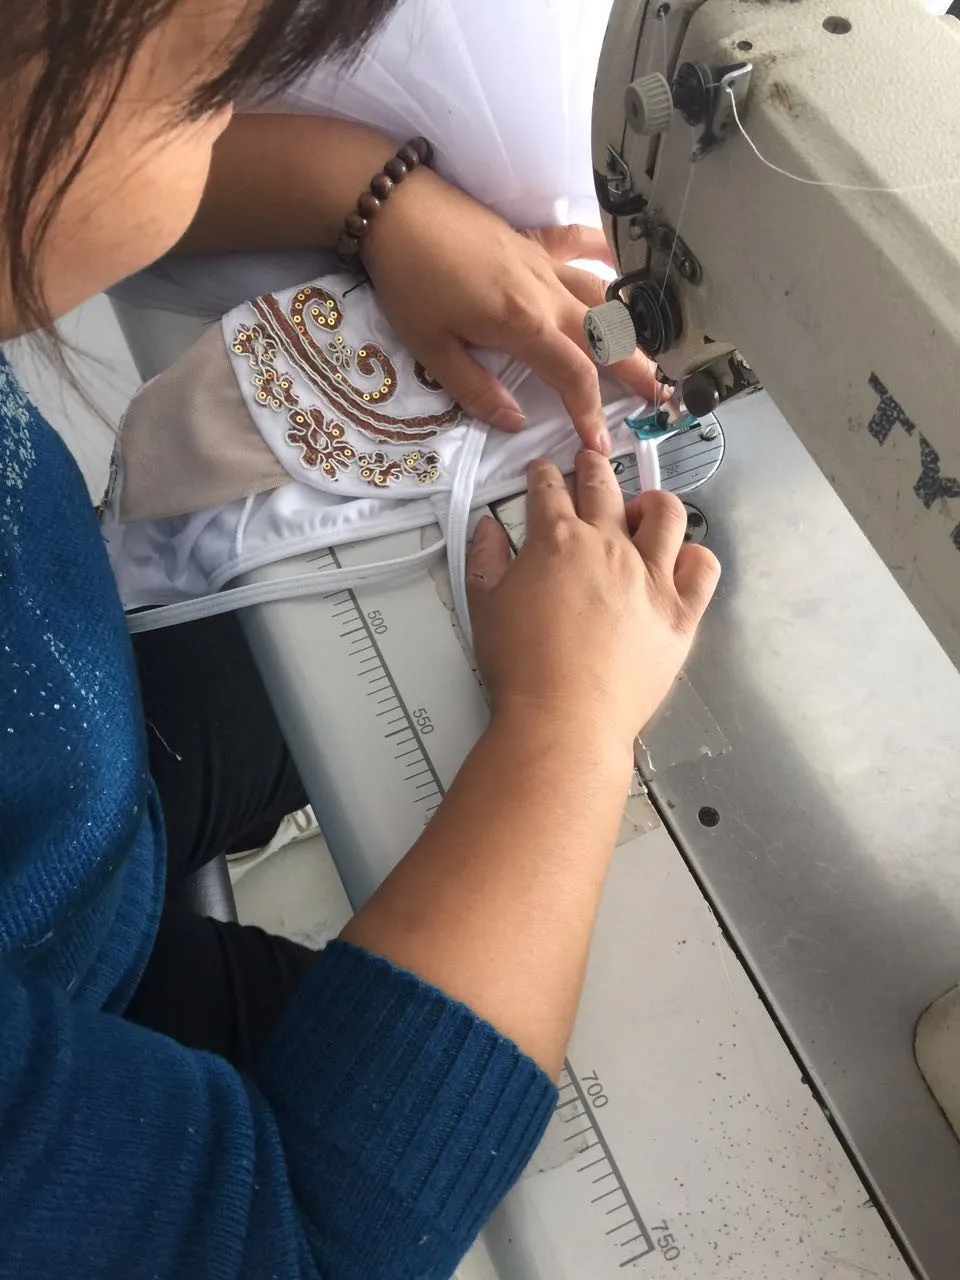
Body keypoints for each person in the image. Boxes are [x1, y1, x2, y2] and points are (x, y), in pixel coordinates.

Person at [0, 2, 720, 1277]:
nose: (233, 121)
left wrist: (377, 197)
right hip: (95, 1007)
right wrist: (569, 726)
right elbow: (302, 1241)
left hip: (62, 836)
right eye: (212, 93)